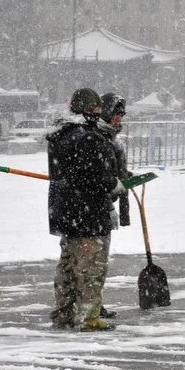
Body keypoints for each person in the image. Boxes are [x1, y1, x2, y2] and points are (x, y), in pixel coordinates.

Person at [47, 88, 122, 331]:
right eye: (96, 110)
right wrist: (114, 184)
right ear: (90, 111)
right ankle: (89, 317)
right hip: (88, 215)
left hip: (65, 214)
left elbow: (69, 174)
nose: (98, 114)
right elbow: (96, 177)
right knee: (90, 269)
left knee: (68, 269)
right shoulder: (88, 138)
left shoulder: (59, 136)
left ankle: (64, 314)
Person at [94, 93, 132, 319]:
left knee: (100, 260)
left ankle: (94, 303)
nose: (119, 119)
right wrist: (108, 202)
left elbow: (114, 173)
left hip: (105, 202)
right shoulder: (98, 139)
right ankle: (91, 305)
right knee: (94, 261)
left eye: (122, 115)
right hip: (95, 206)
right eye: (116, 115)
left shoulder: (112, 139)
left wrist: (127, 178)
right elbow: (97, 178)